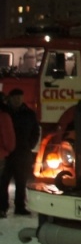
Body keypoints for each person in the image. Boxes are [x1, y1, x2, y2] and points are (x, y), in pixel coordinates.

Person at [0, 88, 40, 217]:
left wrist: (30, 145)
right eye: (15, 97)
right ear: (10, 98)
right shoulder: (5, 112)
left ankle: (20, 206)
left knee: (21, 181)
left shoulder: (29, 114)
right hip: (7, 152)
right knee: (3, 181)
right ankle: (2, 206)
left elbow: (35, 131)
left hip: (23, 152)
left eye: (20, 97)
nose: (18, 100)